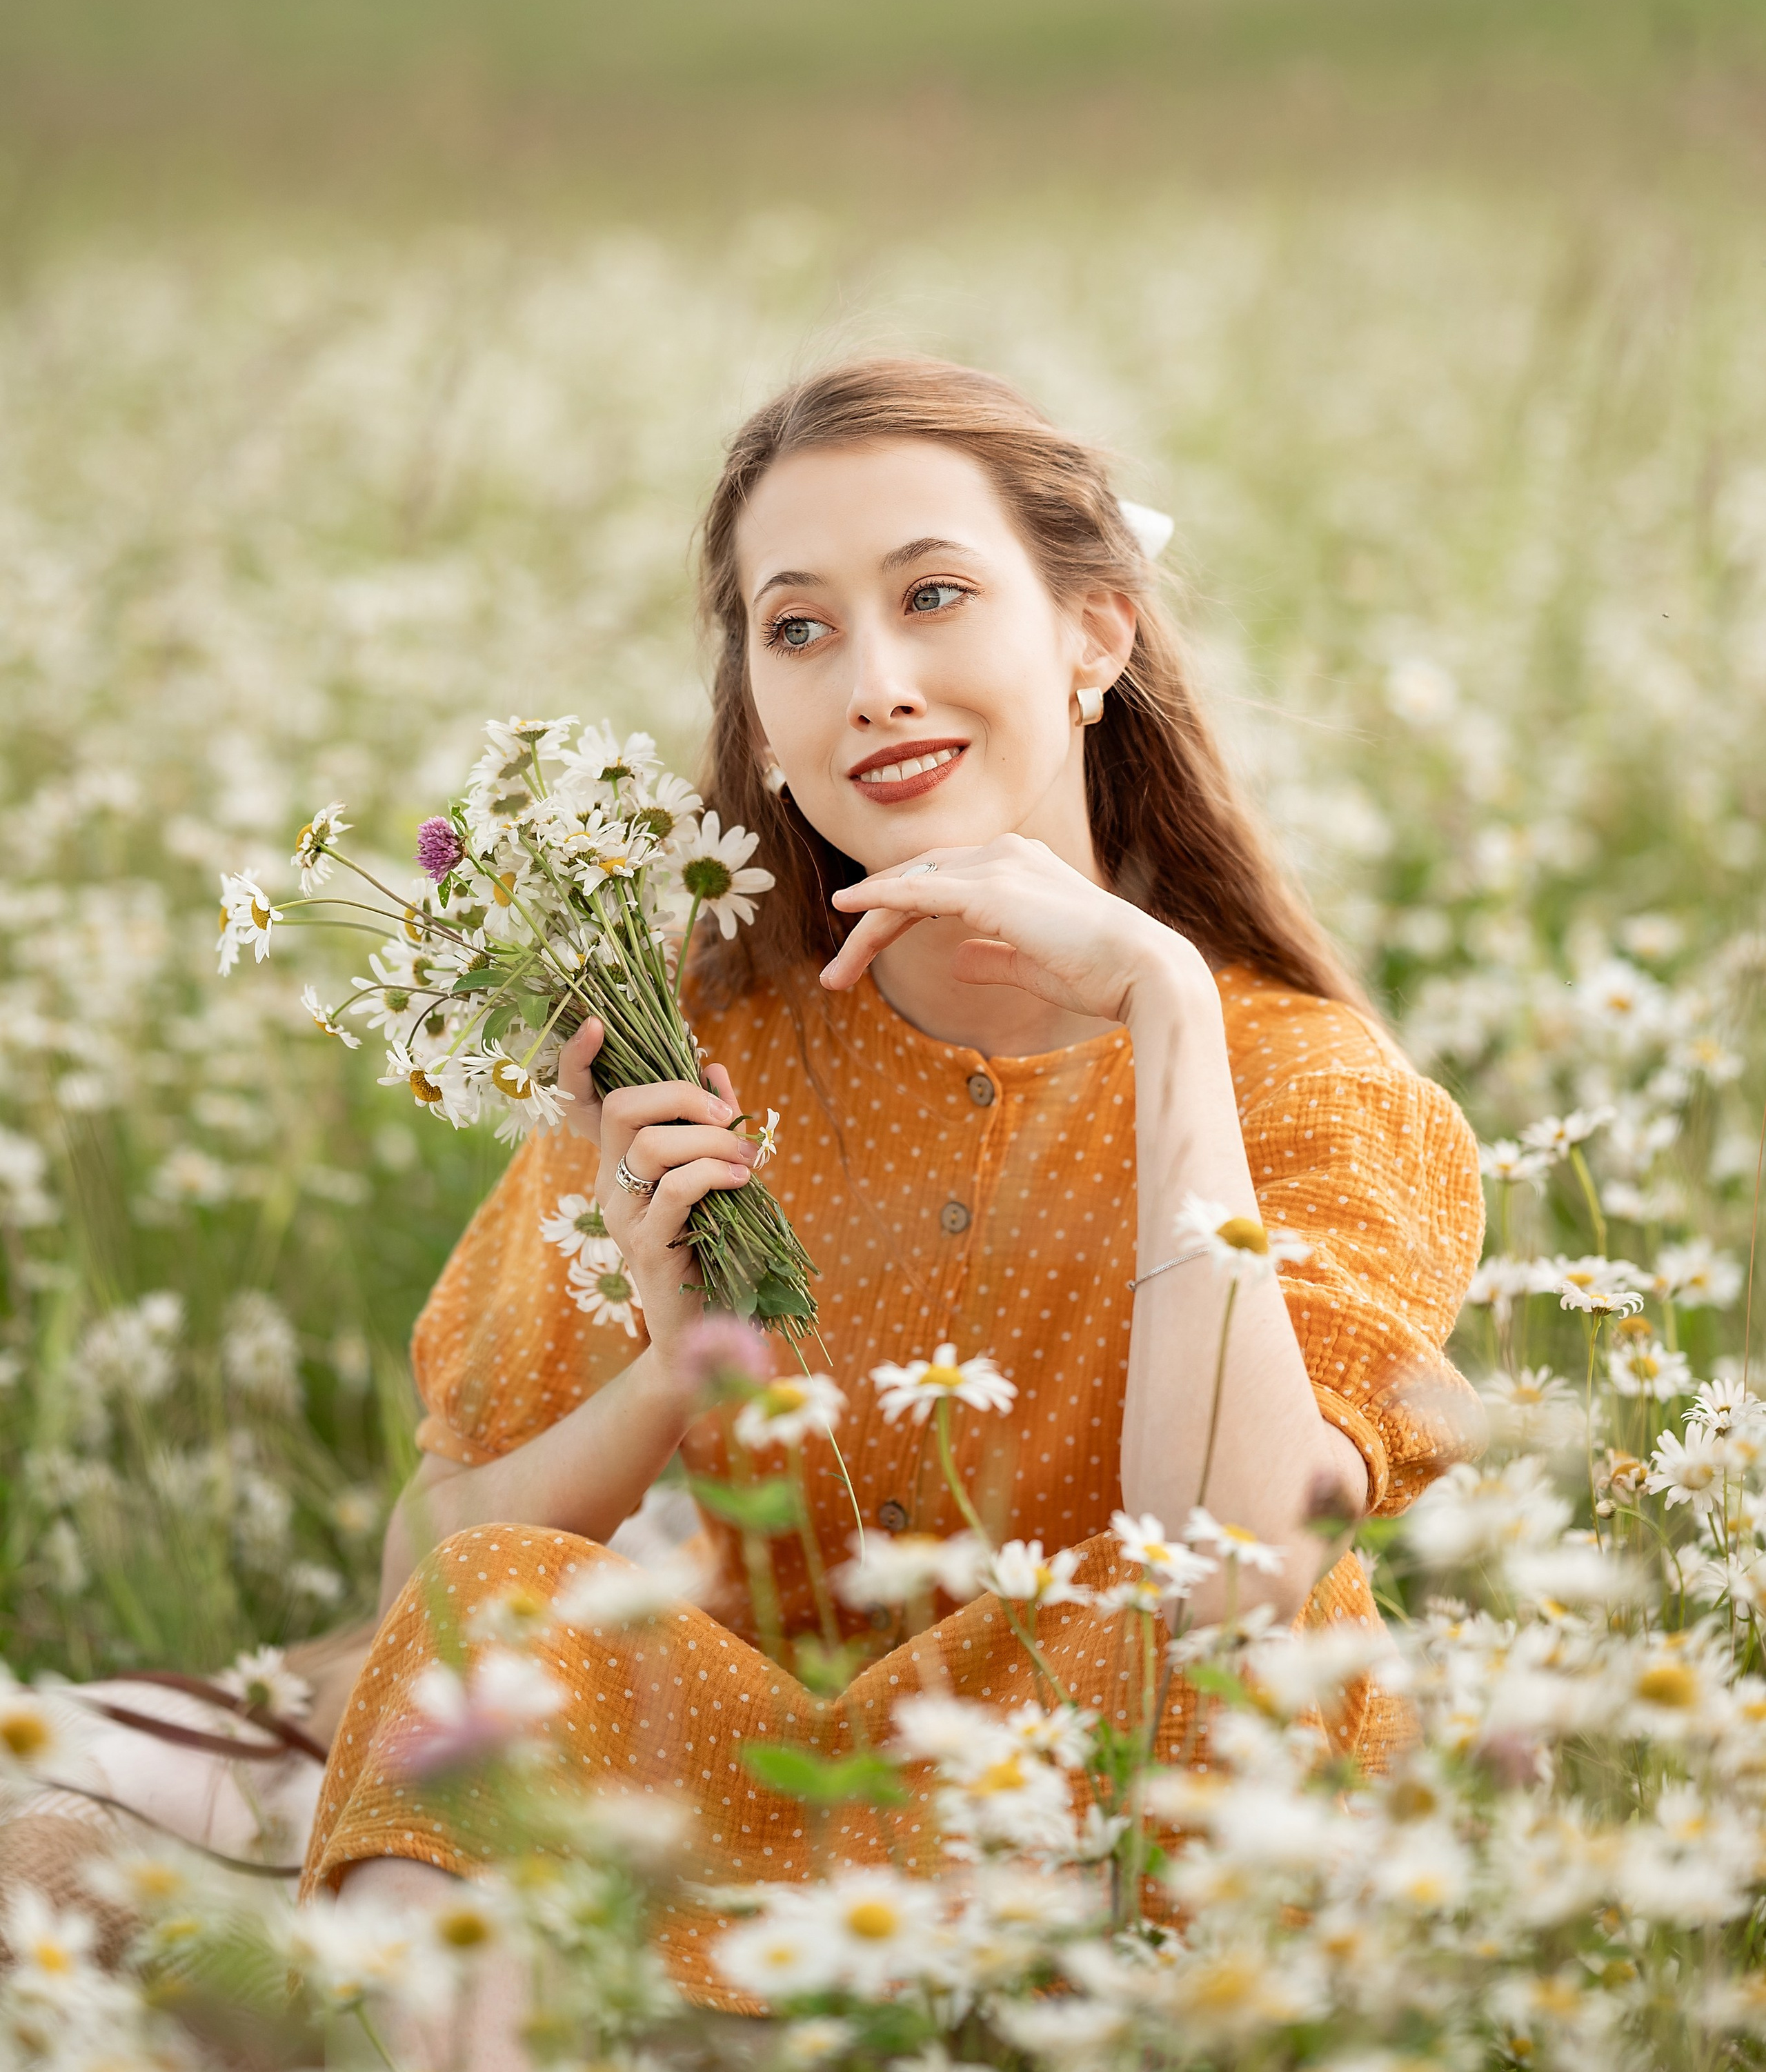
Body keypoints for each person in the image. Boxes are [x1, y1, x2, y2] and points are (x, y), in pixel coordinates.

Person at [304, 356, 1485, 2055]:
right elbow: (438, 1556)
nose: (872, 683)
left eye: (933, 595)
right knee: (488, 1618)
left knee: (1213, 1658)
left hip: (1154, 1802)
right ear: (758, 710)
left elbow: (1231, 1574)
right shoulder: (687, 1059)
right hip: (784, 1773)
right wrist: (670, 1373)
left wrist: (1163, 1009)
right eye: (796, 630)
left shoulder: (1310, 1086)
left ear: (1095, 636)